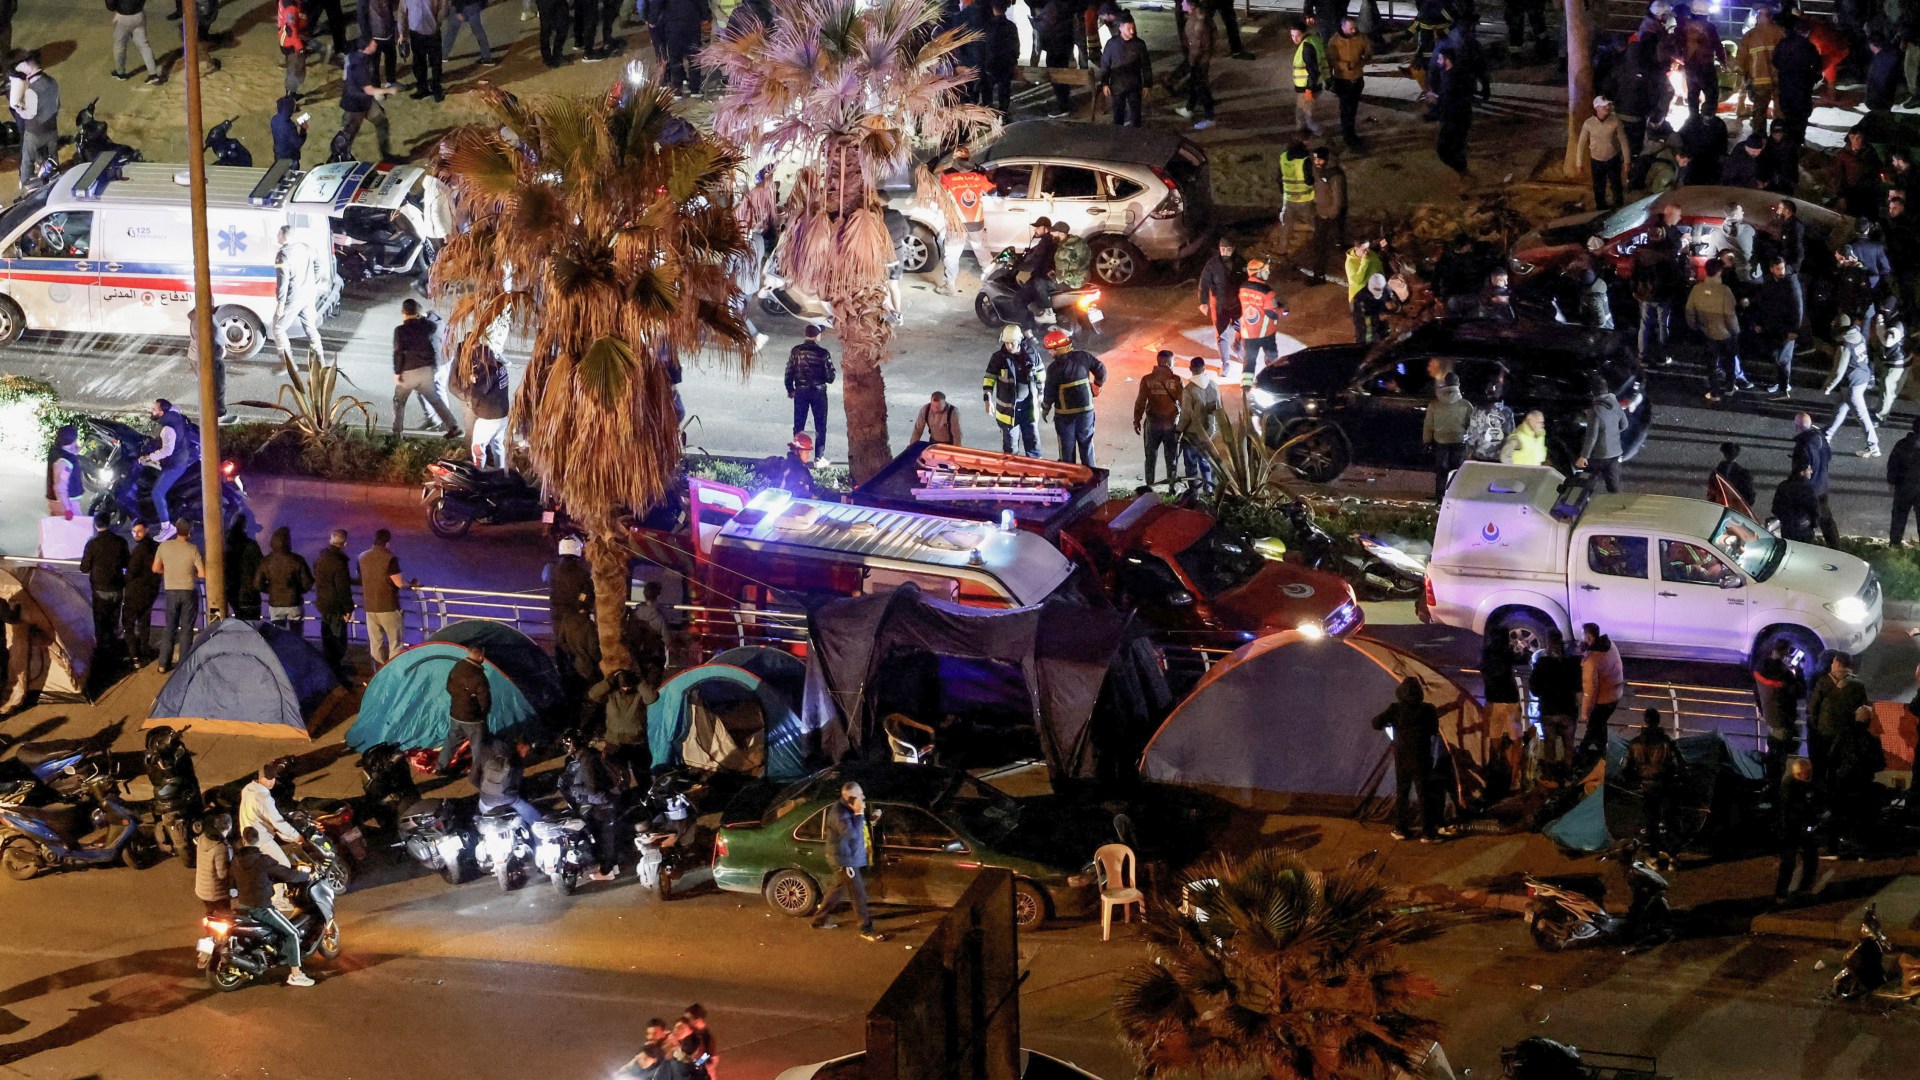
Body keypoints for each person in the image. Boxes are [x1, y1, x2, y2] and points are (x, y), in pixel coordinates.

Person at [233, 826, 315, 987]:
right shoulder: (263, 860)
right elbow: (287, 874)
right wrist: (307, 876)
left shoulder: (236, 861)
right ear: (258, 841)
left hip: (243, 905)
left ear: (244, 841)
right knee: (292, 933)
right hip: (262, 907)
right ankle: (296, 975)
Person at [811, 781, 888, 941]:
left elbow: (857, 826)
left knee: (835, 891)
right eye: (859, 795)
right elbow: (852, 834)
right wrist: (859, 813)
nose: (863, 797)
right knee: (858, 895)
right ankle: (866, 929)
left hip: (848, 857)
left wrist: (869, 818)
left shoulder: (848, 808)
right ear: (851, 798)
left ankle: (818, 920)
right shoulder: (839, 813)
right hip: (845, 860)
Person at [1372, 677, 1443, 841]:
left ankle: (1401, 829)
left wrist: (1389, 724)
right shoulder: (1428, 709)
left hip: (1402, 757)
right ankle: (1428, 832)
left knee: (1402, 793)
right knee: (1424, 794)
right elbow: (1433, 730)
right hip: (1422, 756)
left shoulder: (1396, 709)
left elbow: (1376, 723)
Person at [391, 299, 462, 437]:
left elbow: (398, 352)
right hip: (427, 371)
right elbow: (431, 326)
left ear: (403, 312)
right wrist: (420, 317)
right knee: (435, 399)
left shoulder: (400, 330)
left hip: (409, 372)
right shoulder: (427, 326)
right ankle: (453, 426)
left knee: (399, 401)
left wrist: (397, 372)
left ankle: (396, 433)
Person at [1621, 708, 1686, 858]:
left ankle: (1653, 857)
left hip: (1647, 788)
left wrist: (1637, 781)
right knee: (1671, 821)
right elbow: (1680, 765)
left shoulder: (1634, 743)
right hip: (1666, 787)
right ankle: (1673, 857)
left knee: (1651, 823)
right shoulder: (1667, 742)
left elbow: (1625, 769)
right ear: (1658, 721)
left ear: (1645, 721)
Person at [1040, 327, 1106, 467]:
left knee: (1067, 451)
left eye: (1051, 350)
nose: (1049, 352)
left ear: (1057, 349)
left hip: (1065, 417)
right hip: (1086, 413)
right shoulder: (1083, 356)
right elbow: (1101, 370)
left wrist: (1045, 408)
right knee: (1086, 446)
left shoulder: (1054, 368)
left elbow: (1049, 392)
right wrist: (1097, 385)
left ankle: (1070, 478)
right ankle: (1090, 476)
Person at [1827, 705, 1885, 858]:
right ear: (1869, 721)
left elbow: (1832, 757)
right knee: (1861, 816)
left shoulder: (1843, 736)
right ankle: (1860, 848)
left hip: (1843, 782)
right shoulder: (1873, 740)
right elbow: (1880, 764)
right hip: (1863, 783)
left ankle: (1837, 847)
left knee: (1840, 814)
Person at [934, 147, 993, 294]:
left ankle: (949, 287)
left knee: (952, 255)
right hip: (976, 222)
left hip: (957, 224)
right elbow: (992, 190)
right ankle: (993, 282)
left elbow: (941, 198)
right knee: (982, 252)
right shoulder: (977, 175)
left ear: (954, 158)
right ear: (968, 158)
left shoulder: (947, 175)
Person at [1807, 651, 1869, 788]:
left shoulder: (1823, 682)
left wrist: (1816, 728)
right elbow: (1863, 710)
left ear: (1838, 664)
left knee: (1821, 768)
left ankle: (1821, 794)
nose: (1832, 664)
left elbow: (1811, 709)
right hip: (1847, 734)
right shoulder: (1858, 685)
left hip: (1824, 734)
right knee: (1839, 769)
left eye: (1834, 661)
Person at [1823, 315, 1881, 458]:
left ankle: (1873, 446)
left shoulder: (1845, 346)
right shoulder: (1858, 335)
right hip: (1862, 376)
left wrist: (1828, 386)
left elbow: (1838, 371)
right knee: (1841, 407)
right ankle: (1827, 434)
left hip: (1852, 384)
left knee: (1862, 415)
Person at [138, 399, 197, 537]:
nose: (151, 411)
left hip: (175, 464)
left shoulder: (167, 429)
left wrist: (149, 457)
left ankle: (167, 527)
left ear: (162, 412)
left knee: (157, 493)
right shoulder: (174, 413)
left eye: (154, 409)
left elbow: (167, 451)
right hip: (183, 456)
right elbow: (176, 407)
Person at [983, 325, 1044, 457]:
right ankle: (1011, 469)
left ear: (1020, 340)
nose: (1009, 346)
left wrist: (1041, 393)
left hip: (1029, 408)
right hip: (1008, 412)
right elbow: (989, 378)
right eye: (1006, 343)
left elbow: (1040, 373)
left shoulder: (1031, 353)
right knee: (1010, 447)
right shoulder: (998, 358)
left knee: (1033, 443)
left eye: (1012, 343)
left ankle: (1034, 467)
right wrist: (987, 399)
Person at [152, 519, 204, 672]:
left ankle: (163, 664)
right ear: (189, 533)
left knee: (169, 628)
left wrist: (169, 571)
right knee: (186, 629)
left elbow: (155, 568)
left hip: (171, 592)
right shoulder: (193, 549)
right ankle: (183, 666)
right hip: (188, 591)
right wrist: (191, 573)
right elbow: (202, 573)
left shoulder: (164, 546)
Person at [272, 226, 328, 368]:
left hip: (293, 297)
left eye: (279, 234)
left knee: (278, 328)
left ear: (284, 237)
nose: (277, 236)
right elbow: (319, 265)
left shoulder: (283, 254)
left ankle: (288, 363)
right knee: (310, 328)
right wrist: (314, 283)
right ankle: (320, 361)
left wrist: (281, 302)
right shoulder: (305, 247)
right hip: (308, 294)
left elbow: (283, 281)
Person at [339, 35, 400, 162]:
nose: (375, 44)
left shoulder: (355, 56)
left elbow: (345, 75)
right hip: (355, 107)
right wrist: (389, 90)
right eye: (373, 43)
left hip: (365, 101)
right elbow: (369, 90)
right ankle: (340, 160)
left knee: (381, 122)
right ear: (366, 47)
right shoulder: (360, 66)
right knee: (346, 137)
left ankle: (386, 155)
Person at [1688, 261, 1743, 401]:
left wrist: (1695, 326)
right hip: (1726, 333)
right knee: (1729, 361)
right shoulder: (1724, 290)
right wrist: (1735, 331)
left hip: (1707, 332)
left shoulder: (1697, 289)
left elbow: (1689, 311)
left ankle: (1715, 392)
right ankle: (1729, 387)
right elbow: (1730, 315)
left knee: (1711, 364)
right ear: (1719, 272)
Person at [1754, 638, 1805, 786]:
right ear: (1786, 653)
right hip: (1783, 719)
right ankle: (1775, 784)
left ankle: (1769, 780)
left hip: (1768, 714)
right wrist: (1799, 671)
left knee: (1773, 747)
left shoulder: (1760, 667)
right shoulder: (1785, 675)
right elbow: (1799, 692)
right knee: (1780, 754)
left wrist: (1762, 710)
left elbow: (1757, 692)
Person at [1751, 257, 1803, 400]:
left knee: (1783, 359)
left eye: (1783, 268)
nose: (1782, 271)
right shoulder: (1769, 282)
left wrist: (1794, 330)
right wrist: (1760, 323)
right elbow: (1763, 303)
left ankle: (1783, 388)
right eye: (1778, 269)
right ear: (1772, 269)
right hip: (1773, 326)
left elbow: (1798, 308)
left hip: (1786, 328)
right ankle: (1781, 382)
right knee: (1776, 356)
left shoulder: (1790, 283)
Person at [785, 325, 836, 465]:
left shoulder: (796, 351)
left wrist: (790, 388)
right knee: (820, 424)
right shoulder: (823, 353)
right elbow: (831, 377)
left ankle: (797, 454)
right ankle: (819, 457)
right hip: (819, 392)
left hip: (801, 391)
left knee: (799, 423)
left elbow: (789, 371)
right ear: (817, 335)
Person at [1530, 630, 1581, 766]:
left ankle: (1550, 772)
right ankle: (1567, 772)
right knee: (1568, 747)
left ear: (1548, 642)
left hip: (1548, 710)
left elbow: (1534, 689)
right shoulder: (1572, 662)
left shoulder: (1541, 663)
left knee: (1549, 745)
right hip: (1568, 710)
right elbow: (1578, 687)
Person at [79, 517, 128, 657]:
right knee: (114, 620)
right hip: (117, 587)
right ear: (109, 523)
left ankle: (103, 653)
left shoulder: (92, 544)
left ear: (95, 525)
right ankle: (113, 649)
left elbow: (84, 568)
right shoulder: (120, 541)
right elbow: (126, 563)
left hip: (100, 589)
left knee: (101, 622)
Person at [457, 343, 511, 469]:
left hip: (488, 418)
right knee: (497, 445)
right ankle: (500, 471)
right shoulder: (500, 366)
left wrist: (472, 381)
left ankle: (479, 471)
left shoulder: (487, 372)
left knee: (478, 447)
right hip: (502, 415)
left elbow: (477, 392)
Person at [1773, 756, 1820, 901]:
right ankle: (1781, 894)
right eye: (1807, 772)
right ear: (1799, 773)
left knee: (1811, 858)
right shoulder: (1789, 786)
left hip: (1802, 828)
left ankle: (1804, 887)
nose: (1809, 774)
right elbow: (1792, 810)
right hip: (1790, 830)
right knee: (1788, 862)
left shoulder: (1804, 785)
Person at [441, 643, 492, 774]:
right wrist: (482, 714)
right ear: (481, 656)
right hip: (473, 719)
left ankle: (440, 767)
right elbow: (485, 701)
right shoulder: (480, 677)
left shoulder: (458, 666)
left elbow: (449, 687)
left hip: (456, 713)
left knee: (451, 741)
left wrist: (459, 698)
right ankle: (477, 772)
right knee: (477, 746)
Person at [359, 529, 407, 668]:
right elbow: (399, 583)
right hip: (388, 607)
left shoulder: (362, 557)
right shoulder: (390, 558)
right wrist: (411, 584)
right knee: (395, 643)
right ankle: (393, 672)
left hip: (370, 607)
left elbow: (361, 577)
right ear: (387, 543)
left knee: (375, 644)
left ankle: (377, 673)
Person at [1790, 411, 1839, 546]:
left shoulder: (1803, 445)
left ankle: (1806, 545)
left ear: (1797, 426)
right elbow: (1828, 456)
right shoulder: (1820, 437)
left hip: (1809, 488)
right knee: (1826, 518)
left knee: (1805, 519)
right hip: (1822, 484)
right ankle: (1835, 546)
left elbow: (1801, 469)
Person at [9, 51, 58, 185]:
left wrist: (19, 108)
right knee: (53, 159)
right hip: (52, 129)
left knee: (27, 161)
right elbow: (57, 104)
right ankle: (55, 182)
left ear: (29, 66)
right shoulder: (52, 81)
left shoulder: (32, 90)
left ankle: (26, 185)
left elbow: (28, 114)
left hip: (35, 132)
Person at [1573, 373, 1628, 493]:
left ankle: (1581, 497)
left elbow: (1592, 437)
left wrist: (1583, 456)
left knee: (1584, 474)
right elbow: (1624, 424)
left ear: (1592, 392)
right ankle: (1617, 502)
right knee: (1614, 485)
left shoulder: (1595, 411)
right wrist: (1610, 433)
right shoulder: (1614, 402)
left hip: (1599, 454)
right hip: (1615, 451)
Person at [1135, 350, 1183, 486]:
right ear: (1168, 363)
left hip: (1152, 424)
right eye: (1173, 361)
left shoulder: (1147, 379)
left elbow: (1140, 401)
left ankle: (1149, 486)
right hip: (1171, 425)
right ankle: (1172, 487)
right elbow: (1184, 404)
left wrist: (1137, 420)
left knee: (1150, 457)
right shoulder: (1177, 380)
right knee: (1171, 458)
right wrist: (1183, 426)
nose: (1174, 363)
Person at [253, 525, 314, 629]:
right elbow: (307, 582)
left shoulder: (266, 561)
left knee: (278, 633)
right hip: (294, 602)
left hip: (275, 604)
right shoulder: (297, 560)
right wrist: (296, 591)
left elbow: (257, 584)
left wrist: (271, 590)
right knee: (296, 634)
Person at [1235, 260, 1287, 385]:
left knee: (1249, 362)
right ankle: (1273, 383)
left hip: (1248, 334)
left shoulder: (1243, 287)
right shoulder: (1268, 292)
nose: (1268, 273)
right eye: (1265, 271)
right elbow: (1272, 313)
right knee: (1272, 360)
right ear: (1257, 273)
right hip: (1266, 335)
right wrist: (1283, 311)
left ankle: (1246, 387)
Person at [1421, 373, 1470, 501]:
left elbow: (1428, 425)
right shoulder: (1465, 405)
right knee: (1457, 471)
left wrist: (1426, 441)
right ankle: (1455, 496)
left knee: (1441, 470)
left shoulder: (1434, 404)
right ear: (1458, 385)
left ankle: (1439, 497)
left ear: (1445, 384)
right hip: (1459, 441)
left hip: (1440, 441)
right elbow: (1471, 425)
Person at [313, 529, 355, 676]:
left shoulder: (321, 558)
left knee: (327, 638)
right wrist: (348, 608)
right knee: (338, 640)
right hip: (336, 606)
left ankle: (329, 667)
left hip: (323, 604)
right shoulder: (339, 562)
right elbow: (342, 588)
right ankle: (335, 670)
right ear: (345, 543)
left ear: (331, 540)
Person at [1097, 15, 1151, 127]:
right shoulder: (1112, 44)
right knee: (1118, 115)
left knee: (1136, 116)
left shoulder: (1139, 44)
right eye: (1128, 28)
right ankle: (1118, 135)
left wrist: (1147, 84)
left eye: (1133, 28)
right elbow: (1105, 64)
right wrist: (1105, 83)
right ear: (1120, 28)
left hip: (1134, 85)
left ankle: (1135, 134)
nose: (1132, 31)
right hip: (1117, 86)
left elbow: (1146, 65)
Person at [1580, 97, 1633, 210]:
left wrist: (1627, 160)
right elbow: (1581, 143)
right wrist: (1578, 162)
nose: (1607, 107)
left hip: (1612, 158)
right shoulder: (1589, 123)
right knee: (1599, 186)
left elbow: (1623, 141)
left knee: (1616, 184)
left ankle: (1618, 207)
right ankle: (1601, 209)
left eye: (1608, 105)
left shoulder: (1615, 121)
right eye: (1604, 106)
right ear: (1597, 108)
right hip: (1596, 160)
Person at [1326, 16, 1371, 147]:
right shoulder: (1334, 41)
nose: (1354, 30)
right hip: (1343, 80)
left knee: (1353, 108)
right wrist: (1345, 66)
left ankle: (1350, 132)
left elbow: (1368, 52)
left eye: (1355, 27)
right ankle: (1348, 136)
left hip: (1357, 79)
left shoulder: (1361, 37)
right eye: (1351, 28)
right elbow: (1331, 60)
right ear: (1343, 27)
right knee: (1346, 109)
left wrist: (1363, 60)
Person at [1177, 356, 1221, 489]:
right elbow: (1218, 408)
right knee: (1206, 462)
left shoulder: (1189, 389)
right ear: (1204, 368)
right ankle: (1209, 489)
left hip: (1192, 433)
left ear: (1190, 369)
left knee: (1191, 464)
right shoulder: (1213, 385)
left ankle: (1194, 492)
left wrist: (1178, 430)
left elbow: (1186, 414)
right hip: (1209, 432)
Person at [1579, 622, 1623, 752]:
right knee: (1600, 725)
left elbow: (1590, 689)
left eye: (1582, 636)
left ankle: (1582, 751)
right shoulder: (1610, 645)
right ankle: (1602, 749)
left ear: (1589, 638)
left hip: (1603, 700)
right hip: (1615, 693)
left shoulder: (1591, 661)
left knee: (1592, 728)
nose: (1580, 639)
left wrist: (1585, 712)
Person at [1738, 4, 1782, 134]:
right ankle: (1779, 136)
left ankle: (1759, 136)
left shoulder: (1749, 36)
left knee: (1759, 110)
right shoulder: (1779, 32)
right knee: (1780, 109)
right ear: (1771, 17)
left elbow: (1741, 61)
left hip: (1758, 80)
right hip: (1778, 78)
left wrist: (1744, 74)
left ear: (1757, 17)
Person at [1197, 238, 1240, 368]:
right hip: (1219, 305)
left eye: (1228, 250)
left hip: (1237, 304)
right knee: (1222, 335)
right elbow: (1204, 283)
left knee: (1244, 330)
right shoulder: (1212, 265)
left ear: (1234, 249)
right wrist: (1203, 302)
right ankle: (1225, 362)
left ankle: (1238, 346)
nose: (1225, 252)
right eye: (1223, 249)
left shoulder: (1240, 262)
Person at [123, 522, 161, 666]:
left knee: (128, 623)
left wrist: (124, 580)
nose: (135, 534)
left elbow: (131, 572)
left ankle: (134, 656)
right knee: (144, 622)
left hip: (136, 591)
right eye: (133, 531)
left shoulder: (139, 550)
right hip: (151, 590)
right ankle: (145, 651)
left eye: (138, 531)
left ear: (147, 529)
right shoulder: (156, 547)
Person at [1310, 148, 1348, 284]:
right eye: (1315, 159)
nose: (1316, 162)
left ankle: (1319, 275)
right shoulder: (1320, 171)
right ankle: (1339, 245)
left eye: (1319, 159)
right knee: (1327, 239)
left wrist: (1330, 214)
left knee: (1321, 245)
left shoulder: (1334, 175)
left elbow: (1338, 198)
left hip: (1327, 214)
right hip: (1323, 211)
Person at [1176, 0, 1216, 128]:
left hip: (1199, 61)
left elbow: (1196, 48)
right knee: (1195, 83)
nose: (1181, 4)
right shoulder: (1201, 17)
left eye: (1183, 2)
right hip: (1203, 58)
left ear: (1190, 5)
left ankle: (1210, 117)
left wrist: (1192, 61)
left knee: (1202, 88)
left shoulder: (1195, 23)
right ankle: (1189, 108)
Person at [1276, 141, 1315, 264]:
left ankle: (1282, 250)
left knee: (1286, 225)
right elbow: (1309, 180)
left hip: (1288, 197)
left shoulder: (1283, 157)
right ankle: (1320, 243)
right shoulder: (1305, 160)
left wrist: (1283, 191)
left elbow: (1279, 176)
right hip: (1304, 198)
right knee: (1313, 221)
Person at [109, 0, 163, 85]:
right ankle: (153, 74)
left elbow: (110, 6)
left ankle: (120, 73)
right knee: (144, 46)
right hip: (138, 15)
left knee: (119, 45)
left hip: (122, 18)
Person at [224, 516, 265, 622]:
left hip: (231, 593)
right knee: (253, 624)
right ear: (245, 527)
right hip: (250, 594)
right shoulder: (251, 546)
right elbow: (262, 567)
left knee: (239, 622)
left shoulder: (225, 546)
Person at [194, 812, 234, 916]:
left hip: (202, 890)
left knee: (211, 915)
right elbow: (222, 874)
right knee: (226, 918)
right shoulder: (220, 847)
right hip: (217, 894)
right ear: (229, 827)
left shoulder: (203, 837)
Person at [1287, 20, 1323, 136]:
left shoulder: (1306, 47)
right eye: (1292, 35)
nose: (1295, 39)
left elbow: (1313, 72)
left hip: (1308, 88)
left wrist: (1308, 90)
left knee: (1302, 116)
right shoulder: (1313, 40)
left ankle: (1305, 137)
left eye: (1297, 35)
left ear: (1303, 33)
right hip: (1313, 86)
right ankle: (1310, 135)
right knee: (1306, 116)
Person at [1770, 462, 1821, 542]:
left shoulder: (1783, 486)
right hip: (1804, 530)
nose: (1811, 471)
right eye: (1808, 469)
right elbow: (1814, 509)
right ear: (1802, 472)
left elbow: (1775, 508)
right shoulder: (1807, 488)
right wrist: (1814, 523)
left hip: (1787, 529)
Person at [441, 0, 498, 65]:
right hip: (474, 6)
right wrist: (482, 4)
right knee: (479, 32)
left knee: (451, 32)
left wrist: (458, 10)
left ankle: (443, 55)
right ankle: (486, 57)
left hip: (460, 7)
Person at [44, 424, 83, 519]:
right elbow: (61, 487)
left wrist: (74, 451)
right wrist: (68, 509)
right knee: (75, 526)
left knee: (57, 525)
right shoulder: (65, 463)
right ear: (73, 440)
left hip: (55, 499)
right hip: (66, 502)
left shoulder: (57, 450)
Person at [1706, 441, 1755, 511]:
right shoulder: (1717, 472)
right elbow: (1712, 490)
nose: (1730, 455)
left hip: (1733, 507)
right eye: (1728, 453)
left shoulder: (1743, 473)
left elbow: (1749, 495)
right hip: (1722, 506)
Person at [1351, 271, 1395, 345]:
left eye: (1381, 289)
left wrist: (1393, 306)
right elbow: (1360, 321)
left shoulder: (1385, 291)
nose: (1379, 291)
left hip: (1382, 331)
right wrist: (1377, 318)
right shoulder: (1360, 299)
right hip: (1367, 335)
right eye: (1377, 289)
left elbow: (1392, 305)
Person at [271, 95, 308, 166]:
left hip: (278, 153)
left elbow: (283, 130)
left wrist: (294, 125)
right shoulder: (289, 126)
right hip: (289, 156)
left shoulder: (274, 119)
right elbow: (298, 143)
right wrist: (303, 130)